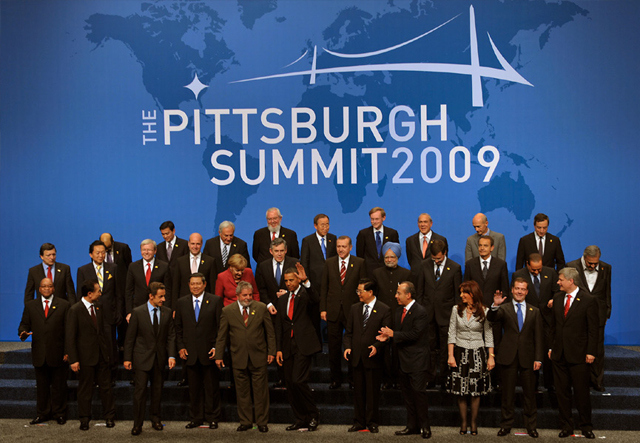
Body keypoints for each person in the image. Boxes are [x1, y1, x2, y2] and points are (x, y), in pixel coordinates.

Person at [216, 281, 276, 433]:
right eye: (245, 295)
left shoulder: (261, 308)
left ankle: (262, 422)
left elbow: (270, 332)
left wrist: (271, 352)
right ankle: (245, 421)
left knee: (260, 392)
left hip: (259, 356)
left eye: (250, 295)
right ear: (237, 296)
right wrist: (219, 355)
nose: (248, 298)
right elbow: (222, 336)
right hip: (238, 357)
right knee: (242, 392)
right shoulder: (227, 311)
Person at [487, 278, 544, 438]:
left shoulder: (535, 311)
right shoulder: (503, 309)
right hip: (508, 357)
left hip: (528, 358)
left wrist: (538, 358)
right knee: (507, 395)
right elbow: (491, 319)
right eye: (517, 288)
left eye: (523, 289)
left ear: (527, 291)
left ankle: (531, 427)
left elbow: (539, 337)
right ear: (512, 290)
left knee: (529, 396)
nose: (519, 291)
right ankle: (506, 425)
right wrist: (495, 305)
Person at [548, 267, 598, 439]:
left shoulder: (588, 300)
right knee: (562, 393)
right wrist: (550, 347)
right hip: (559, 354)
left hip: (579, 355)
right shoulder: (557, 297)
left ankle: (586, 427)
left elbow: (593, 330)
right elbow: (553, 327)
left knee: (581, 393)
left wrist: (591, 351)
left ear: (571, 281)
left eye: (560, 279)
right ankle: (566, 427)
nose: (558, 282)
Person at [377, 282, 431, 439]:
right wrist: (387, 337)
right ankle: (412, 426)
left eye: (398, 293)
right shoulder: (398, 310)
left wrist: (394, 334)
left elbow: (415, 334)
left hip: (417, 361)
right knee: (407, 396)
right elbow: (397, 333)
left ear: (408, 295)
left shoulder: (420, 312)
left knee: (419, 395)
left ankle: (425, 427)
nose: (395, 296)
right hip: (402, 360)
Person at [123, 282, 176, 435]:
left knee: (157, 391)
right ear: (151, 296)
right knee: (140, 393)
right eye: (161, 296)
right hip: (141, 359)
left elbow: (171, 336)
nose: (163, 299)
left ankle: (156, 419)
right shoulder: (138, 312)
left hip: (159, 358)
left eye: (164, 296)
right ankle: (137, 424)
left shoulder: (166, 312)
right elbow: (130, 338)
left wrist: (171, 355)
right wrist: (127, 358)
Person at [174, 273, 223, 429]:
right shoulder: (181, 302)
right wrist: (181, 346)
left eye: (198, 284)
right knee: (193, 389)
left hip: (209, 352)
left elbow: (220, 327)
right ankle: (196, 418)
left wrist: (217, 347)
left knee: (211, 388)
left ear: (204, 284)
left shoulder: (215, 301)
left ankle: (212, 417)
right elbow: (178, 328)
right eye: (192, 284)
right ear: (189, 285)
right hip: (189, 353)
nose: (195, 286)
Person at [18, 278, 70, 425]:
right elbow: (24, 324)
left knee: (59, 386)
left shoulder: (64, 305)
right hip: (40, 353)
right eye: (44, 286)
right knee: (41, 387)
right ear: (39, 289)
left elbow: (69, 330)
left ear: (53, 288)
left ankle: (59, 413)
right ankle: (42, 414)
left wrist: (68, 351)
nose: (47, 289)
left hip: (59, 353)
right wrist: (22, 332)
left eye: (49, 286)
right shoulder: (31, 306)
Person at [66, 279, 116, 431]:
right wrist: (73, 359)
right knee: (85, 390)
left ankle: (109, 417)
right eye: (98, 291)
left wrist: (107, 354)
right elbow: (70, 336)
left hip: (101, 356)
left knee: (106, 388)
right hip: (85, 358)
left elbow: (101, 333)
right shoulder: (75, 310)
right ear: (89, 294)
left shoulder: (99, 307)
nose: (100, 293)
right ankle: (84, 419)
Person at [275, 265, 321, 432]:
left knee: (298, 380)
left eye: (291, 280)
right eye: (286, 281)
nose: (288, 283)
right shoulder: (282, 299)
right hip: (287, 346)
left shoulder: (304, 295)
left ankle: (313, 414)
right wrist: (278, 348)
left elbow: (316, 299)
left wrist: (306, 281)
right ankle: (301, 418)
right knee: (290, 384)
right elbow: (279, 325)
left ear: (298, 279)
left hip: (304, 344)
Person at [447, 280, 494, 436]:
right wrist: (450, 355)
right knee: (461, 391)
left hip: (477, 353)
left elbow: (488, 334)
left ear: (472, 293)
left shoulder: (484, 311)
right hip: (460, 353)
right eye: (460, 293)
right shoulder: (456, 309)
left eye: (463, 293)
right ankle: (463, 423)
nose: (461, 296)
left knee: (475, 391)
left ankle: (473, 423)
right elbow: (451, 332)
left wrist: (491, 357)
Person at [344, 278, 391, 433]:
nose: (358, 294)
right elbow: (348, 333)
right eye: (357, 291)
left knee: (372, 393)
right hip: (356, 358)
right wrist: (348, 347)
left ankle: (372, 421)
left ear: (370, 292)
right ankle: (359, 421)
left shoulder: (384, 309)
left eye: (360, 291)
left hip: (373, 359)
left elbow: (386, 335)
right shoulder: (354, 308)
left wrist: (377, 347)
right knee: (358, 392)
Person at [320, 235, 366, 389]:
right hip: (333, 311)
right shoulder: (329, 263)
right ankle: (335, 379)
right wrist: (323, 308)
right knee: (333, 347)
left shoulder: (359, 263)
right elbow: (324, 287)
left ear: (350, 247)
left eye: (344, 246)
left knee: (353, 346)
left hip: (353, 311)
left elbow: (362, 289)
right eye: (338, 246)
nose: (340, 249)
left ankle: (353, 379)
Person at [416, 239, 462, 388]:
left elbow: (457, 295)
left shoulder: (455, 268)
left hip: (446, 316)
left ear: (445, 253)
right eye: (433, 258)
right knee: (429, 348)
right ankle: (430, 377)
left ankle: (444, 377)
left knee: (445, 349)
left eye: (439, 258)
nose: (436, 261)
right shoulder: (424, 266)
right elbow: (420, 292)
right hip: (428, 315)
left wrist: (456, 316)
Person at [511, 253, 558, 391]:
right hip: (529, 320)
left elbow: (557, 291)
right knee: (532, 354)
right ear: (527, 264)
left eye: (539, 269)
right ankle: (534, 385)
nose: (537, 272)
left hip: (547, 320)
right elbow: (515, 296)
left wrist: (554, 299)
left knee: (548, 353)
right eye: (534, 270)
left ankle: (550, 384)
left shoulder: (551, 272)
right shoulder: (518, 275)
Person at [567, 246, 611, 392]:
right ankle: (578, 380)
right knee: (578, 347)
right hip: (577, 313)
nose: (592, 266)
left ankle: (597, 380)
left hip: (598, 313)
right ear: (584, 257)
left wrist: (607, 312)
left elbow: (607, 291)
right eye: (590, 263)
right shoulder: (572, 266)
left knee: (598, 348)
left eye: (595, 263)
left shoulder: (606, 268)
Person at [76, 240, 121, 380]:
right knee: (93, 347)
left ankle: (111, 376)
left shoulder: (113, 268)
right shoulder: (83, 270)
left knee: (110, 346)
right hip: (91, 316)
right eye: (98, 253)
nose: (101, 255)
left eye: (103, 252)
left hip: (109, 315)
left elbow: (118, 293)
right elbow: (80, 295)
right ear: (91, 254)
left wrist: (118, 312)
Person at [372, 242, 411, 388]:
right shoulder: (376, 273)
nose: (389, 259)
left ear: (398, 257)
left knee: (397, 350)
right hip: (381, 316)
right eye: (386, 257)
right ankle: (385, 379)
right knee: (382, 348)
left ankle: (397, 379)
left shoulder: (406, 274)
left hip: (399, 316)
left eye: (392, 257)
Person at [300, 213, 337, 342]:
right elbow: (304, 263)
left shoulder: (333, 239)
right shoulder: (307, 241)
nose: (325, 227)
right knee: (315, 320)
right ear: (315, 226)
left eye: (327, 224)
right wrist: (307, 284)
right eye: (322, 225)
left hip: (331, 286)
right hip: (314, 287)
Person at [100, 233, 132, 349]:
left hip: (121, 289)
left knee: (122, 319)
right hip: (107, 291)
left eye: (108, 248)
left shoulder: (123, 248)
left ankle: (123, 345)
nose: (106, 250)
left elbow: (129, 267)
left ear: (112, 241)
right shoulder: (98, 251)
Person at [125, 239, 171, 320]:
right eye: (144, 250)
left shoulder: (164, 266)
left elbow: (168, 290)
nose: (146, 252)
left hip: (158, 308)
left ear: (155, 251)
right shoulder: (133, 266)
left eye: (149, 250)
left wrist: (166, 311)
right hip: (138, 308)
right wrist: (129, 311)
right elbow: (129, 291)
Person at [356, 206, 400, 278]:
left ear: (383, 218)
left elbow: (396, 253)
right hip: (369, 273)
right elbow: (360, 255)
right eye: (372, 219)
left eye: (377, 219)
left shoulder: (392, 233)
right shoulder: (363, 234)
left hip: (387, 272)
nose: (374, 222)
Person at [172, 233, 217, 298]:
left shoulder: (210, 261)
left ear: (201, 244)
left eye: (198, 244)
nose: (195, 247)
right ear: (188, 244)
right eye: (192, 244)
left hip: (204, 302)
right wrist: (174, 306)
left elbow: (213, 286)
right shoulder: (180, 261)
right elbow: (176, 286)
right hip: (184, 301)